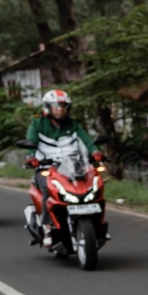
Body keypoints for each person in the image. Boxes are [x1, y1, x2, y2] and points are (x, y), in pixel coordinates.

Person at [23, 89, 101, 247]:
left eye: (64, 106)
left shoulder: (73, 125)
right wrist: (31, 157)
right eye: (57, 106)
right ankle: (47, 227)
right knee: (48, 188)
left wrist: (95, 152)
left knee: (93, 184)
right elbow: (31, 143)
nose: (61, 109)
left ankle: (98, 225)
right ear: (48, 108)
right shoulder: (37, 125)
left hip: (74, 167)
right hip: (47, 167)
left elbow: (87, 141)